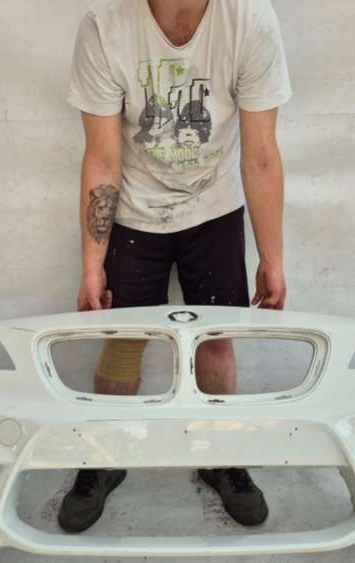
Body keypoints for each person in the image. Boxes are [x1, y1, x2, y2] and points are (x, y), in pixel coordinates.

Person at [59, 0, 292, 532]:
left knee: (215, 341)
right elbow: (101, 157)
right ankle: (104, 455)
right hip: (134, 209)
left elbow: (260, 156)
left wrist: (272, 258)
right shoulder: (105, 27)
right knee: (124, 341)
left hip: (213, 207)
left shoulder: (250, 20)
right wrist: (92, 264)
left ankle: (220, 454)